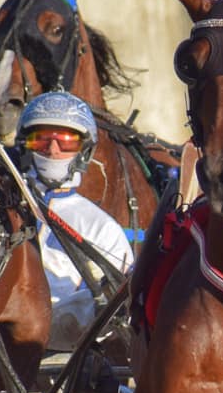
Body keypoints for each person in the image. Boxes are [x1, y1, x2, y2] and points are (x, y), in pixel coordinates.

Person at [15, 91, 136, 348]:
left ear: (84, 150)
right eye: (41, 140)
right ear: (24, 143)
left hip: (64, 339)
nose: (53, 150)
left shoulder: (101, 226)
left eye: (66, 141)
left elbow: (112, 311)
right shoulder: (5, 207)